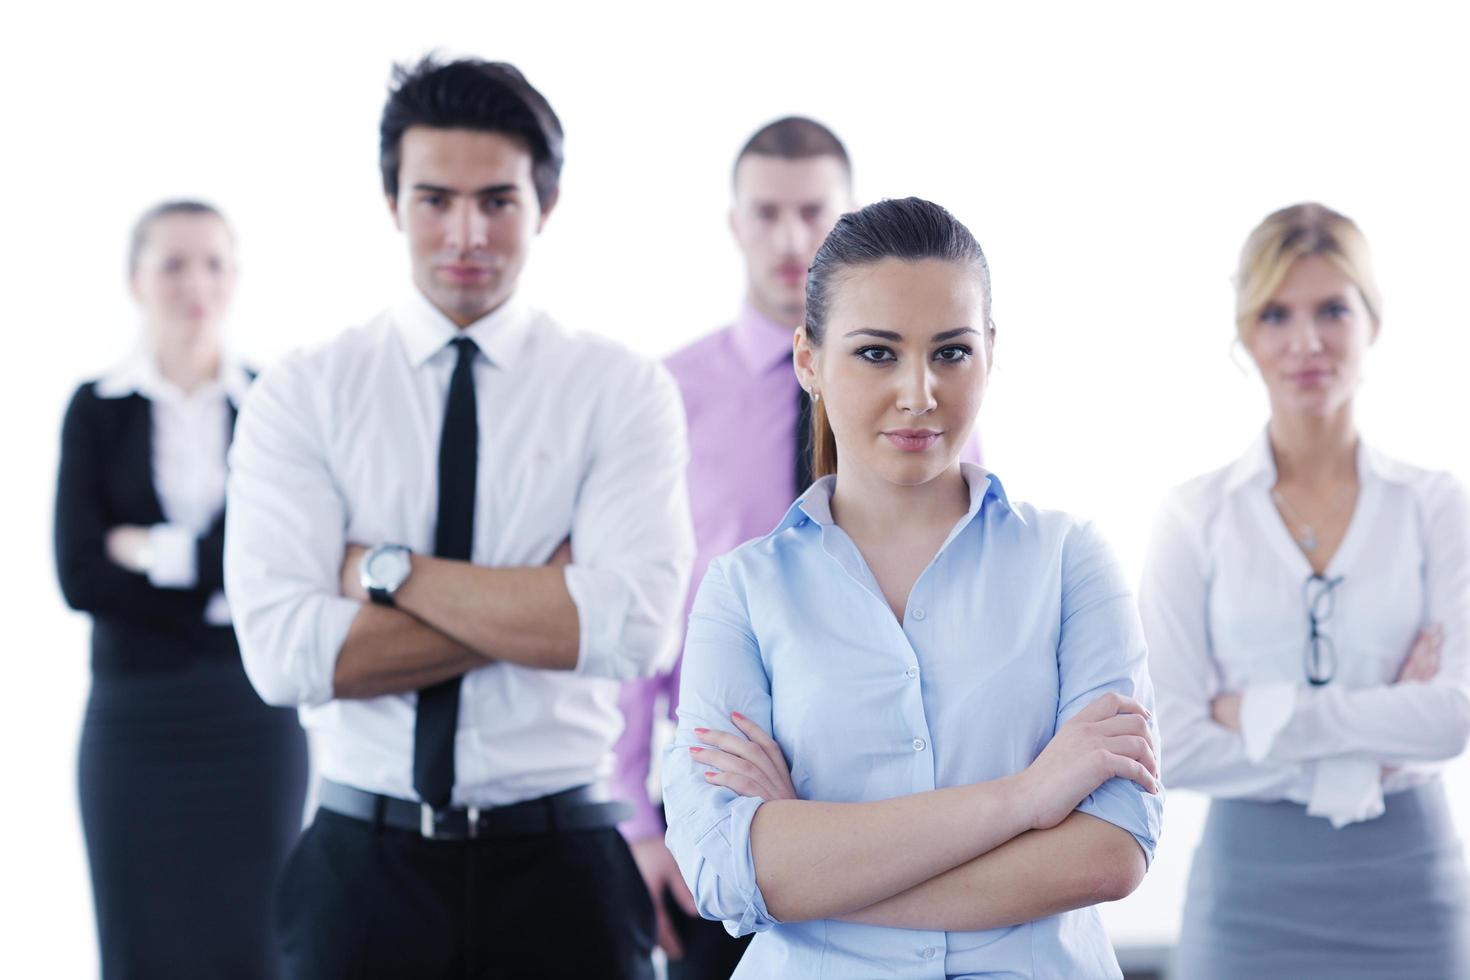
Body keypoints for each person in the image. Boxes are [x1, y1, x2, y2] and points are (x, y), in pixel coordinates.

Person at [223, 57, 693, 978]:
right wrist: (549, 601)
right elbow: (283, 656)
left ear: (544, 206)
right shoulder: (305, 392)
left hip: (563, 864)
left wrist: (387, 573)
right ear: (392, 200)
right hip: (362, 865)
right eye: (435, 198)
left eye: (498, 201)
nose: (466, 233)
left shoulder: (620, 391)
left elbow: (637, 629)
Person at [661, 197, 1163, 978]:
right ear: (808, 361)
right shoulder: (742, 591)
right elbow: (726, 870)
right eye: (876, 353)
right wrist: (1027, 799)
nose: (919, 392)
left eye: (952, 352)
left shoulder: (1070, 561)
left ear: (990, 353)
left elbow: (1111, 851)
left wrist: (811, 861)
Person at [614, 116, 985, 978]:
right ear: (734, 223)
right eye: (767, 213)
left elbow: (963, 588)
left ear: (847, 218)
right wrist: (637, 817)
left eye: (813, 211)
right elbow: (636, 608)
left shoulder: (925, 404)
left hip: (899, 800)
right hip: (726, 795)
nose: (790, 240)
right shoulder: (666, 399)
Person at [1140, 202, 1470, 978]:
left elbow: (1452, 719)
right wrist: (1376, 739)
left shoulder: (1436, 506)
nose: (1306, 341)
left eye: (1332, 310)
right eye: (1277, 314)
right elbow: (1177, 745)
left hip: (1411, 889)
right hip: (1249, 895)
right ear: (1246, 334)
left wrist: (1255, 713)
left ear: (1372, 323)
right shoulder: (1194, 517)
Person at [54, 200, 308, 979]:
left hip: (250, 715)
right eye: (173, 263)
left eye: (214, 262)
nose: (195, 282)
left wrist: (149, 551)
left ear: (234, 277)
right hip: (135, 719)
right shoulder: (97, 409)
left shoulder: (270, 403)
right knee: (140, 948)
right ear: (136, 279)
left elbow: (280, 561)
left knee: (257, 944)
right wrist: (209, 570)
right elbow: (79, 574)